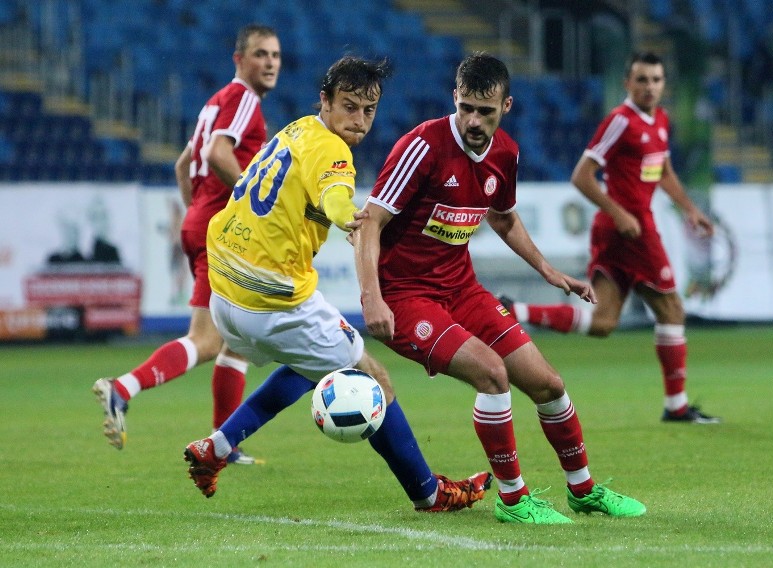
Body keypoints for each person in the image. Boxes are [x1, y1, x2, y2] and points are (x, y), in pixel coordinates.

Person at [182, 55, 492, 512]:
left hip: (225, 291)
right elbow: (336, 196)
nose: (359, 120)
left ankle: (217, 448)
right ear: (324, 100)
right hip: (271, 297)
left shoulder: (297, 129)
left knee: (315, 365)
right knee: (375, 379)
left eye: (369, 111)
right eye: (349, 106)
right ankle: (430, 494)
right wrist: (351, 217)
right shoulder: (333, 152)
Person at [352, 52, 645, 524]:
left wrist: (548, 271)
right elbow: (370, 223)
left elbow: (503, 217)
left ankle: (584, 491)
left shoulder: (504, 153)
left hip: (462, 289)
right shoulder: (422, 147)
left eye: (484, 111)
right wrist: (372, 298)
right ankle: (514, 499)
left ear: (505, 106)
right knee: (492, 374)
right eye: (465, 106)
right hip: (407, 298)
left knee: (549, 384)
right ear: (455, 97)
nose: (472, 119)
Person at [93, 24, 282, 463]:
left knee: (231, 341)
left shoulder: (215, 102)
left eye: (275, 55)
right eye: (260, 54)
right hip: (225, 232)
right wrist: (251, 203)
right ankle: (123, 388)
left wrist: (197, 214)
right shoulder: (243, 99)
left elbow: (184, 165)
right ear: (240, 59)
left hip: (203, 221)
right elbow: (218, 154)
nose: (270, 63)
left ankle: (224, 444)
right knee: (210, 340)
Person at [499, 52, 721, 424]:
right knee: (672, 310)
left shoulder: (660, 121)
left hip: (622, 231)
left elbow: (663, 172)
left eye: (655, 80)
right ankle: (676, 405)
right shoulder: (620, 121)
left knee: (603, 322)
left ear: (664, 84)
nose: (649, 87)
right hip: (631, 230)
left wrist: (690, 210)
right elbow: (582, 175)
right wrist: (620, 212)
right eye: (642, 80)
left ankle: (515, 311)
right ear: (627, 83)